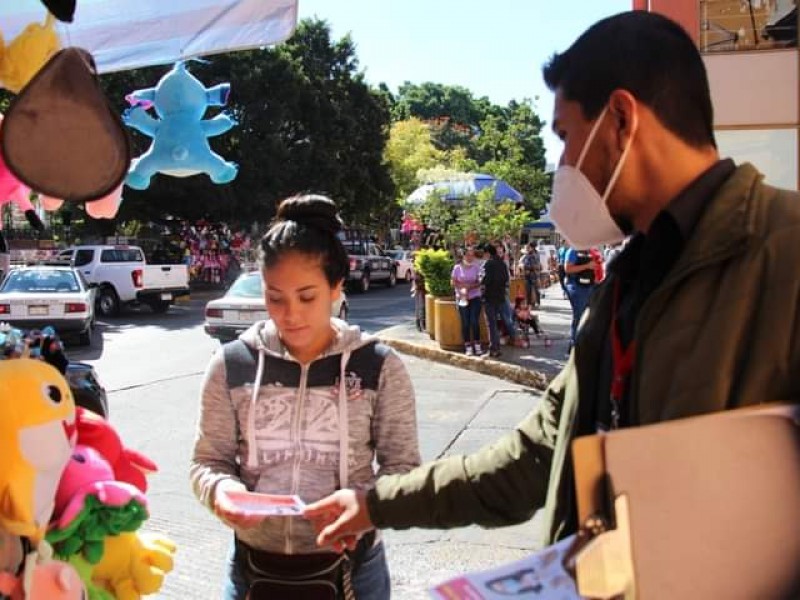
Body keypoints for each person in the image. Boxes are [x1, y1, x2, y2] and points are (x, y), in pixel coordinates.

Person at [302, 10, 800, 557]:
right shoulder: (627, 279)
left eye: (566, 136)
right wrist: (376, 503)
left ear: (620, 120)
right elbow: (535, 456)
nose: (563, 163)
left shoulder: (784, 254)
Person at [189, 194, 421, 599]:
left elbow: (403, 468)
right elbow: (208, 462)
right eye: (275, 297)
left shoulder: (378, 366)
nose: (290, 314)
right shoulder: (232, 364)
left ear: (336, 287)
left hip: (354, 572)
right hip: (252, 570)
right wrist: (221, 492)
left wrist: (367, 507)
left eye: (307, 296)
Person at [480, 243, 519, 358]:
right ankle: (511, 339)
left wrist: (480, 281)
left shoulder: (487, 264)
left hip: (490, 297)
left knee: (491, 324)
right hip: (501, 296)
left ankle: (494, 349)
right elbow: (506, 279)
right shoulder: (502, 263)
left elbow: (484, 280)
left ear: (487, 253)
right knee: (503, 320)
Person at [451, 246, 484, 356]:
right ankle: (468, 346)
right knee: (465, 322)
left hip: (475, 296)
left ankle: (477, 345)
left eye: (472, 255)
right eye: (468, 255)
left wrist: (470, 287)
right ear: (463, 256)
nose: (470, 257)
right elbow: (453, 282)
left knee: (474, 321)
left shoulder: (476, 267)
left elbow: (480, 281)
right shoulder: (457, 268)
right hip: (462, 298)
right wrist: (462, 288)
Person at [563, 245, 596, 346]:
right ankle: (574, 344)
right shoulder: (573, 251)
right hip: (576, 287)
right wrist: (587, 266)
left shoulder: (590, 250)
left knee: (587, 316)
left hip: (588, 286)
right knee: (579, 315)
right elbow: (567, 269)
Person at [518, 243, 542, 307]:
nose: (527, 249)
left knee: (536, 289)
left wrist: (528, 268)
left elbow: (537, 265)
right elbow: (520, 264)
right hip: (527, 275)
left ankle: (537, 302)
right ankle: (529, 304)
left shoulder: (535, 255)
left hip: (534, 274)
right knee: (528, 290)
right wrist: (523, 267)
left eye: (528, 248)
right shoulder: (524, 256)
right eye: (527, 248)